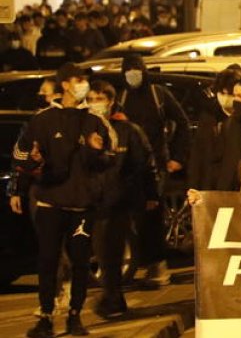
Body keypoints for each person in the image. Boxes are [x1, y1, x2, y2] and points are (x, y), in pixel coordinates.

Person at [11, 63, 113, 338]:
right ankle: (45, 316)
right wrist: (19, 189)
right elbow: (23, 157)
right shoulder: (42, 120)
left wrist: (96, 152)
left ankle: (75, 316)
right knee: (47, 261)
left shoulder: (96, 121)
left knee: (81, 262)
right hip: (50, 204)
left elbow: (107, 161)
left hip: (81, 205)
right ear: (65, 84)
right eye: (79, 80)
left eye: (85, 81)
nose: (84, 85)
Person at [117, 54, 190, 287]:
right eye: (128, 71)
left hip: (156, 165)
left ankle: (156, 266)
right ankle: (135, 262)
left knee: (152, 215)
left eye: (136, 70)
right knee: (130, 217)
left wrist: (178, 157)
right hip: (127, 167)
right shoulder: (122, 96)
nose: (132, 75)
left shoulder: (159, 95)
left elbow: (182, 123)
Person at [88, 81, 159, 319]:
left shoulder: (128, 130)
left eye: (99, 99)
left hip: (118, 202)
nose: (94, 104)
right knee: (102, 253)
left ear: (110, 101)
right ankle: (113, 299)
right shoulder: (86, 128)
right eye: (91, 99)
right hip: (92, 201)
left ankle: (112, 299)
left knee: (111, 252)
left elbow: (144, 164)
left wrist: (150, 195)